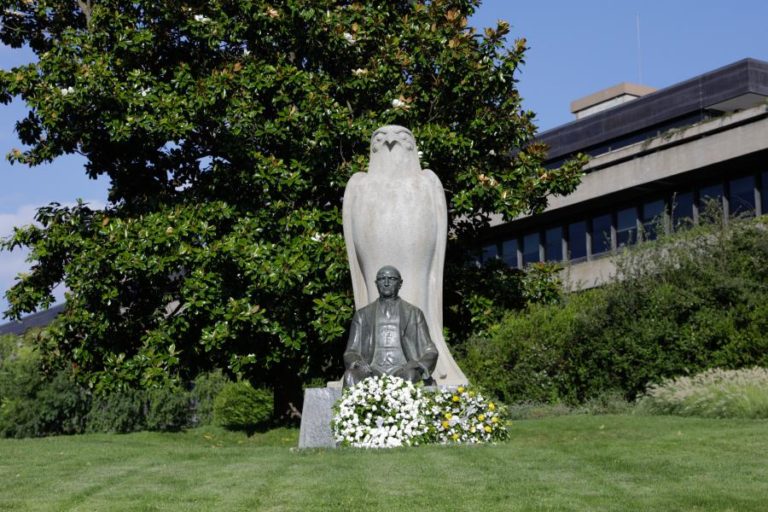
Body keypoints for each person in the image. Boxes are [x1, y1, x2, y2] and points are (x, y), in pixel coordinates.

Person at [342, 265, 438, 388]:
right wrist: (356, 362)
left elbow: (430, 350)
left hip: (402, 369)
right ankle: (351, 408)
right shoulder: (362, 315)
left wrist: (419, 364)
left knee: (411, 376)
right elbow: (351, 351)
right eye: (382, 279)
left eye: (391, 279)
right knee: (350, 376)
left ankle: (409, 407)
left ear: (400, 283)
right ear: (376, 283)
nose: (386, 283)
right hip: (371, 370)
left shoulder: (414, 313)